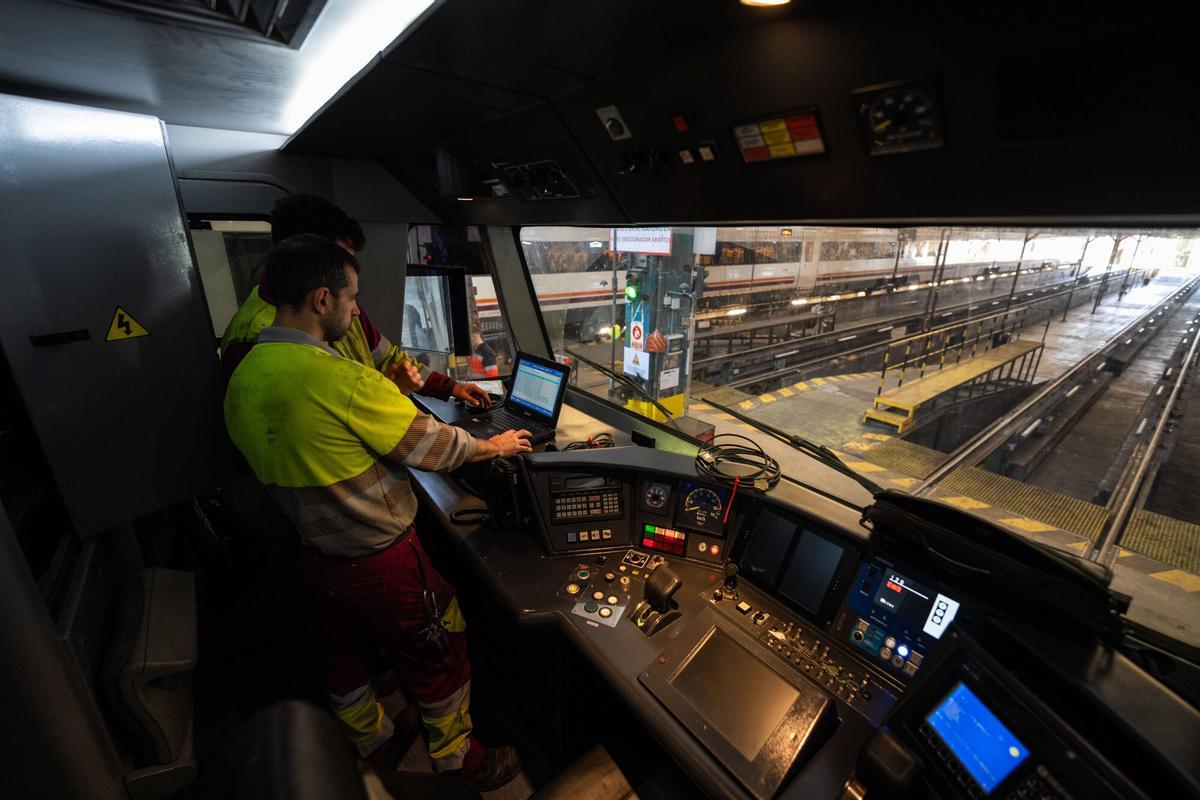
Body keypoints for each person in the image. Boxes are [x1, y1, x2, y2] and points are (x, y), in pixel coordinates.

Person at [224, 235, 531, 791]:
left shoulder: (243, 374)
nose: (355, 310)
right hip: (380, 558)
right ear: (322, 299)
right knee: (439, 650)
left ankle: (373, 742)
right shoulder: (341, 378)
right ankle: (459, 760)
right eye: (352, 298)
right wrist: (495, 445)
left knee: (344, 656)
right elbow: (432, 446)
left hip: (317, 554)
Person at [220, 194, 491, 410]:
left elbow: (388, 357)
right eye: (341, 260)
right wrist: (392, 395)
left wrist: (450, 387)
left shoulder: (342, 307)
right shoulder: (253, 341)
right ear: (301, 254)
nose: (349, 271)